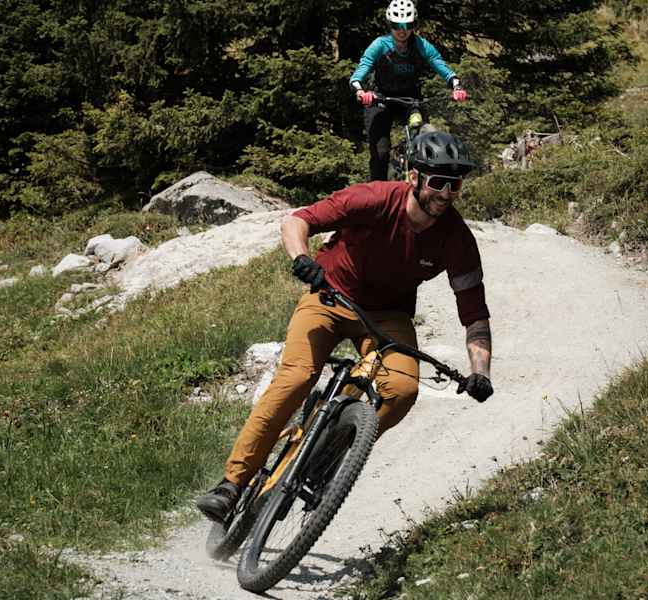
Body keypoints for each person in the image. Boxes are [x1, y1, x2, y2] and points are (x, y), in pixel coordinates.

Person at [195, 132, 493, 522]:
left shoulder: (457, 239)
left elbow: (475, 316)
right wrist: (302, 258)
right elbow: (298, 220)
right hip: (329, 297)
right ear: (414, 176)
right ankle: (232, 485)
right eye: (438, 182)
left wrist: (480, 373)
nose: (447, 193)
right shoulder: (372, 198)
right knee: (297, 376)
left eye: (455, 184)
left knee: (402, 390)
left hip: (387, 317)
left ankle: (327, 454)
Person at [349, 0, 469, 181]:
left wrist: (456, 86)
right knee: (380, 153)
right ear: (390, 24)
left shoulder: (421, 45)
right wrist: (360, 91)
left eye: (408, 24)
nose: (402, 30)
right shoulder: (380, 45)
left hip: (411, 99)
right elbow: (361, 70)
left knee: (426, 138)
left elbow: (440, 64)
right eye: (397, 25)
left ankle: (425, 187)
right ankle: (378, 194)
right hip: (381, 99)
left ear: (414, 25)